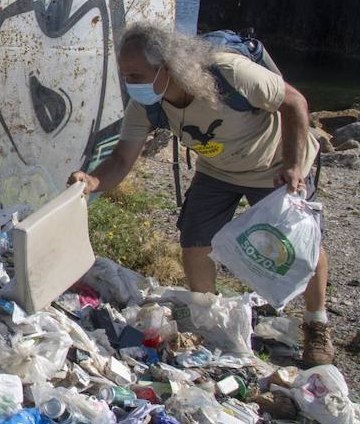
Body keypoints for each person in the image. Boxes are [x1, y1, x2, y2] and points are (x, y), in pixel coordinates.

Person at [69, 23, 331, 365]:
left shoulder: (230, 73)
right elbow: (121, 159)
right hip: (217, 171)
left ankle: (317, 326)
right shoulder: (147, 106)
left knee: (300, 249)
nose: (130, 83)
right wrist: (92, 181)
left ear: (167, 67)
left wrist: (295, 164)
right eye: (125, 74)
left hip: (274, 166)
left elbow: (295, 102)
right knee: (194, 243)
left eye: (136, 74)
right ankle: (210, 320)